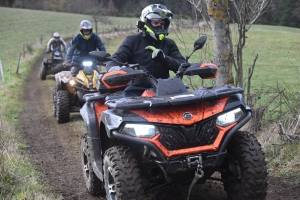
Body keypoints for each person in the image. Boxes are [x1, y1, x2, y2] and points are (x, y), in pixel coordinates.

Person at [106, 4, 185, 97]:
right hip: (136, 90)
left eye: (162, 24)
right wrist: (118, 70)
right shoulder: (132, 41)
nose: (159, 27)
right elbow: (114, 60)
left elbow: (182, 65)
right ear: (146, 22)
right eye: (156, 23)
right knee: (123, 109)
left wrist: (164, 59)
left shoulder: (169, 43)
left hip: (164, 90)